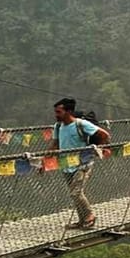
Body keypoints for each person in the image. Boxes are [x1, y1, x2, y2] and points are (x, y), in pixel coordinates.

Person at [50, 98, 108, 229]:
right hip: (66, 165)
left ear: (69, 111)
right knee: (74, 193)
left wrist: (96, 148)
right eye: (56, 112)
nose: (56, 115)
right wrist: (44, 161)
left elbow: (104, 134)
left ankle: (90, 216)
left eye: (59, 112)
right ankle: (82, 220)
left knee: (75, 192)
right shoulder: (58, 126)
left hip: (83, 164)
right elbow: (55, 144)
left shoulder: (81, 124)